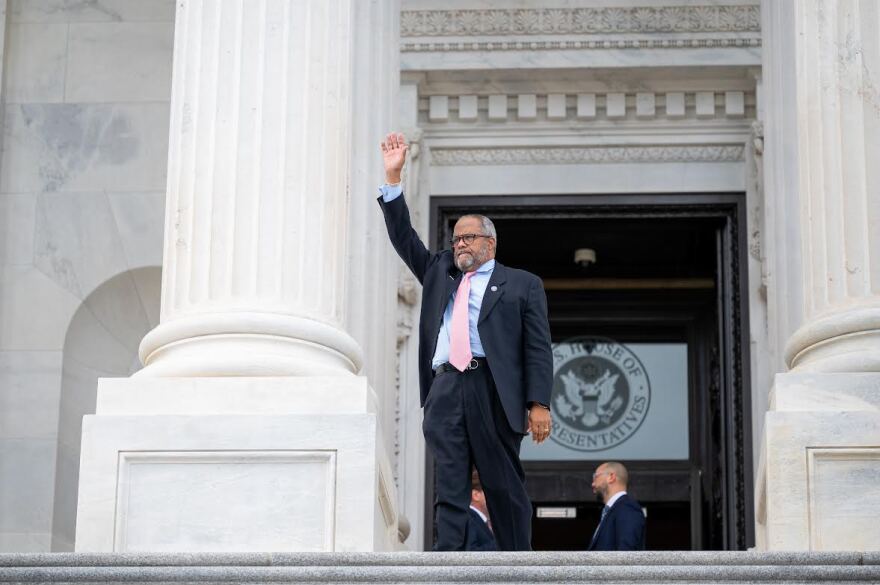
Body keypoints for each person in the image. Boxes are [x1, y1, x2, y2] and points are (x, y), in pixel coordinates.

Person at [377, 132, 553, 551]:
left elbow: (537, 347)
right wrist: (393, 178)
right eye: (456, 238)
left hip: (493, 386)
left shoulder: (522, 285)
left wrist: (539, 403)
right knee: (450, 480)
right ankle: (446, 563)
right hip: (446, 385)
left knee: (502, 482)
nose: (460, 244)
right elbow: (404, 238)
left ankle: (518, 562)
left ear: (490, 243)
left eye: (469, 237)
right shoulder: (440, 271)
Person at [588, 461, 646, 551]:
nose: (592, 484)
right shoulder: (614, 510)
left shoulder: (627, 509)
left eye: (595, 476)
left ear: (611, 477)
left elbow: (627, 555)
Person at [466, 470, 497, 551]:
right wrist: (503, 542)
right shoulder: (468, 519)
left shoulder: (483, 520)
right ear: (476, 495)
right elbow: (471, 554)